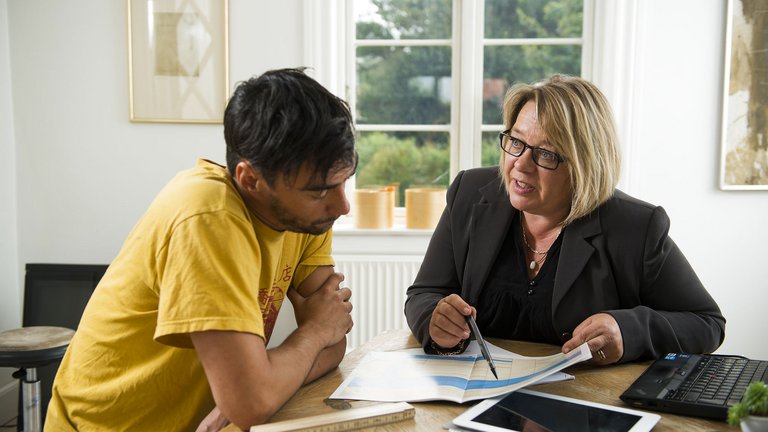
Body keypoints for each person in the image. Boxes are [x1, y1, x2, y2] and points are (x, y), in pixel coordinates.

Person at [45, 68, 357, 431]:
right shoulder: (207, 215)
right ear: (250, 179)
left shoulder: (307, 216)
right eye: (320, 191)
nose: (342, 206)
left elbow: (335, 342)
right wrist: (303, 343)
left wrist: (264, 382)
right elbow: (312, 343)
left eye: (344, 183)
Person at [404, 74, 725, 365]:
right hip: (475, 395)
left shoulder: (636, 226)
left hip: (585, 405)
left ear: (586, 163)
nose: (520, 164)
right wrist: (435, 318)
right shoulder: (470, 193)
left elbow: (706, 322)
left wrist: (627, 330)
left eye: (545, 153)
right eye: (516, 142)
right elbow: (426, 292)